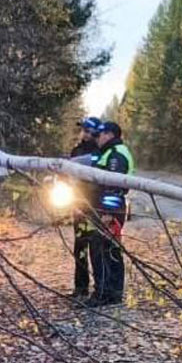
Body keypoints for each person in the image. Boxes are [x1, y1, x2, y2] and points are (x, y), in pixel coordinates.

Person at [87, 121, 134, 307]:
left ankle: (105, 294)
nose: (97, 139)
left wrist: (108, 214)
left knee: (104, 251)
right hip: (105, 209)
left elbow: (114, 187)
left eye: (100, 135)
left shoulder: (116, 154)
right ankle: (111, 293)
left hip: (110, 210)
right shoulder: (109, 152)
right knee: (108, 250)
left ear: (110, 135)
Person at [70, 116, 101, 298]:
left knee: (96, 247)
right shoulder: (76, 149)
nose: (84, 133)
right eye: (83, 130)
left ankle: (100, 287)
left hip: (94, 204)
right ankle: (80, 287)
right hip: (77, 201)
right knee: (79, 246)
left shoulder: (99, 152)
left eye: (88, 131)